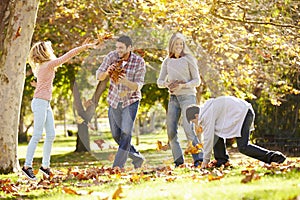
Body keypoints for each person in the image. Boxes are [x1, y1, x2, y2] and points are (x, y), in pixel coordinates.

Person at [22, 39, 99, 180]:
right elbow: (68, 56)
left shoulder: (41, 66)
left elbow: (43, 85)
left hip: (44, 103)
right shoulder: (48, 65)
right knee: (37, 135)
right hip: (40, 103)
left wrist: (36, 86)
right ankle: (27, 166)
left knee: (50, 135)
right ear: (45, 52)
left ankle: (45, 167)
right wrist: (85, 46)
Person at [186, 96, 287, 169]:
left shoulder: (206, 115)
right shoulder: (207, 109)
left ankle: (275, 157)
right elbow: (213, 136)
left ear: (196, 116)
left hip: (244, 114)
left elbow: (208, 139)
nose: (196, 124)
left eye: (194, 121)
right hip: (242, 112)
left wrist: (205, 162)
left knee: (243, 147)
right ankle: (222, 160)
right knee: (216, 133)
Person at [96, 35, 146, 169]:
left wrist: (125, 82)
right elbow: (99, 76)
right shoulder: (111, 56)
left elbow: (138, 86)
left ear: (130, 48)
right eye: (117, 47)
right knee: (116, 134)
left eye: (121, 48)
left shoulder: (138, 62)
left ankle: (117, 167)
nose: (118, 51)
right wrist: (107, 72)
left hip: (131, 101)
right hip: (114, 100)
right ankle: (137, 157)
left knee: (126, 133)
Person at [157, 32, 203, 167]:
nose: (179, 46)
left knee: (189, 129)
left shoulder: (189, 59)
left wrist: (183, 85)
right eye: (176, 44)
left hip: (188, 97)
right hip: (173, 98)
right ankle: (178, 161)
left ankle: (198, 159)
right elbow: (160, 81)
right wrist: (167, 84)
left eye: (181, 44)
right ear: (171, 45)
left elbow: (197, 81)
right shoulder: (167, 61)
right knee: (171, 131)